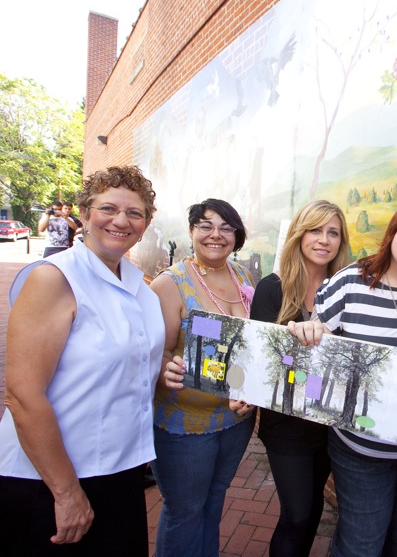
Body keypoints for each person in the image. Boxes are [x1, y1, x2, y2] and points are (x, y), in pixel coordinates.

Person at [0, 165, 165, 556]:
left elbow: (132, 363)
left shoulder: (140, 287)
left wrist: (164, 370)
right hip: (48, 479)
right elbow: (22, 396)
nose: (121, 221)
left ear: (145, 224)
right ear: (84, 214)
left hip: (118, 471)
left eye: (134, 213)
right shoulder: (54, 278)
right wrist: (66, 492)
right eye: (108, 209)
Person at [290, 196, 397, 557]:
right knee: (361, 544)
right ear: (395, 229)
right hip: (360, 447)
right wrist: (308, 333)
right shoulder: (350, 283)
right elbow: (316, 346)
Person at [152, 198, 257, 557]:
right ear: (192, 231)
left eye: (226, 228)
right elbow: (155, 353)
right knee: (184, 511)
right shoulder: (171, 284)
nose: (216, 235)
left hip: (235, 419)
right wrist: (164, 368)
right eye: (206, 226)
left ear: (237, 236)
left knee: (214, 501)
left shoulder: (242, 276)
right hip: (185, 425)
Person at [250, 200, 351, 557]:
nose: (324, 239)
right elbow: (265, 360)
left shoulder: (346, 291)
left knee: (313, 508)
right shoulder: (272, 288)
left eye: (333, 232)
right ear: (298, 234)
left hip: (328, 423)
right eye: (315, 230)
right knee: (296, 514)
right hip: (286, 422)